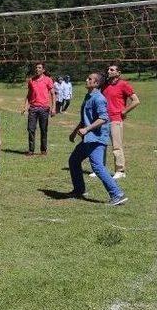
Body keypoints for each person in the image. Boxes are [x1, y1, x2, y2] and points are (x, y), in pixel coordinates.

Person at [68, 72, 127, 206]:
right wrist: (74, 131)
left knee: (98, 167)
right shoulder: (88, 96)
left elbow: (103, 118)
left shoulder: (99, 99)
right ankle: (79, 190)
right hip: (88, 139)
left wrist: (87, 129)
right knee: (74, 161)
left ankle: (117, 194)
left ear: (96, 83)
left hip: (96, 139)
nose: (86, 80)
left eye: (90, 79)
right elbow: (85, 119)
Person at [101, 64, 140, 179]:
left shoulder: (123, 84)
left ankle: (120, 171)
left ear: (118, 73)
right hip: (103, 120)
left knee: (116, 146)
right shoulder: (104, 85)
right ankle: (100, 168)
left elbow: (136, 101)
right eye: (108, 69)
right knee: (101, 145)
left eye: (112, 70)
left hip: (115, 120)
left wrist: (125, 111)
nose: (108, 71)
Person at [21, 62, 56, 156]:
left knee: (43, 130)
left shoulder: (48, 80)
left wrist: (53, 108)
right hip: (33, 108)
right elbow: (29, 94)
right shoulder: (31, 80)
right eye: (36, 68)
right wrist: (25, 106)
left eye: (39, 68)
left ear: (43, 70)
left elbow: (53, 94)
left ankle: (43, 150)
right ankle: (31, 150)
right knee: (31, 129)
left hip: (44, 109)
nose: (37, 69)